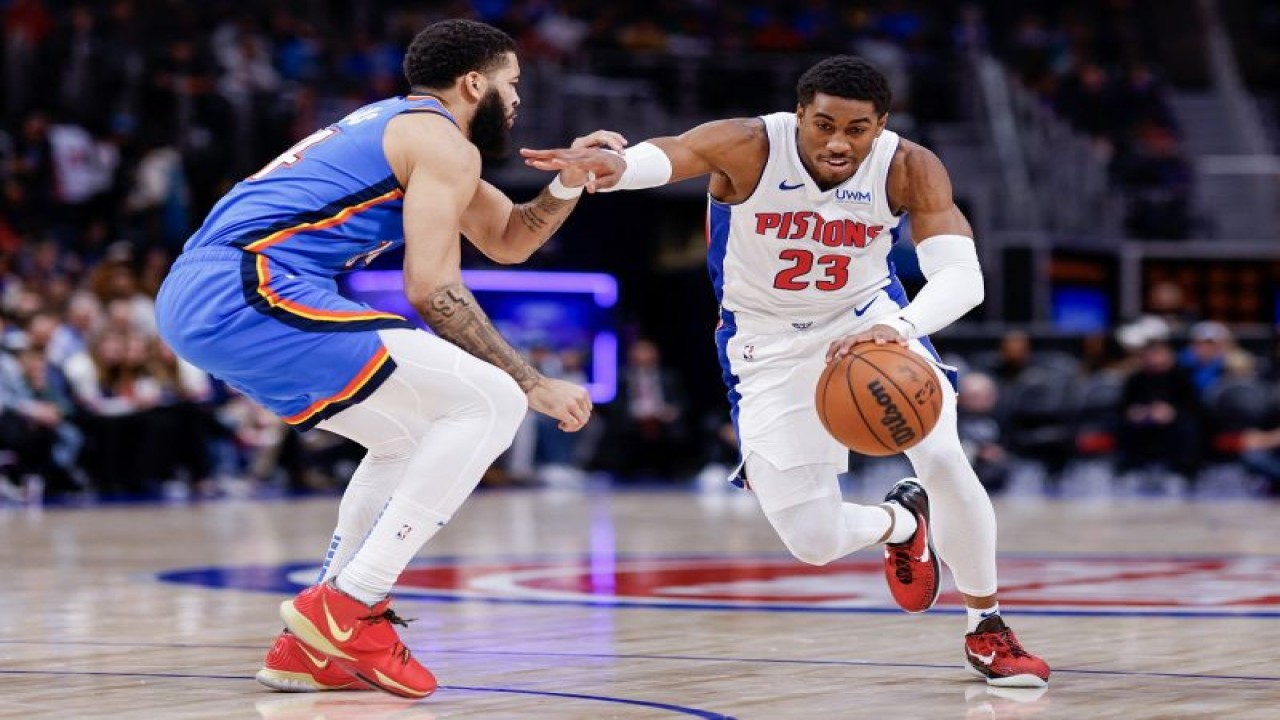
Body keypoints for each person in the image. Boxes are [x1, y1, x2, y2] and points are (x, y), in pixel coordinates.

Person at [523, 55, 1050, 687]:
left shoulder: (909, 166)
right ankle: (902, 523)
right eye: (823, 124)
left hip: (867, 325)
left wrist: (901, 327)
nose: (837, 141)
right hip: (765, 345)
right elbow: (665, 156)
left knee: (943, 458)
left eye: (857, 129)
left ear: (880, 125)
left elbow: (963, 278)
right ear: (799, 114)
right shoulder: (748, 144)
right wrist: (613, 168)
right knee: (814, 540)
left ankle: (986, 627)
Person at [156, 20, 604, 698]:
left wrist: (568, 184)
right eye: (513, 85)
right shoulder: (441, 143)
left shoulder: (413, 132)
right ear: (474, 83)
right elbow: (431, 288)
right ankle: (349, 605)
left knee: (404, 438)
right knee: (493, 399)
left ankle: (310, 647)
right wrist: (532, 380)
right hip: (247, 282)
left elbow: (509, 240)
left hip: (209, 291)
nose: (518, 101)